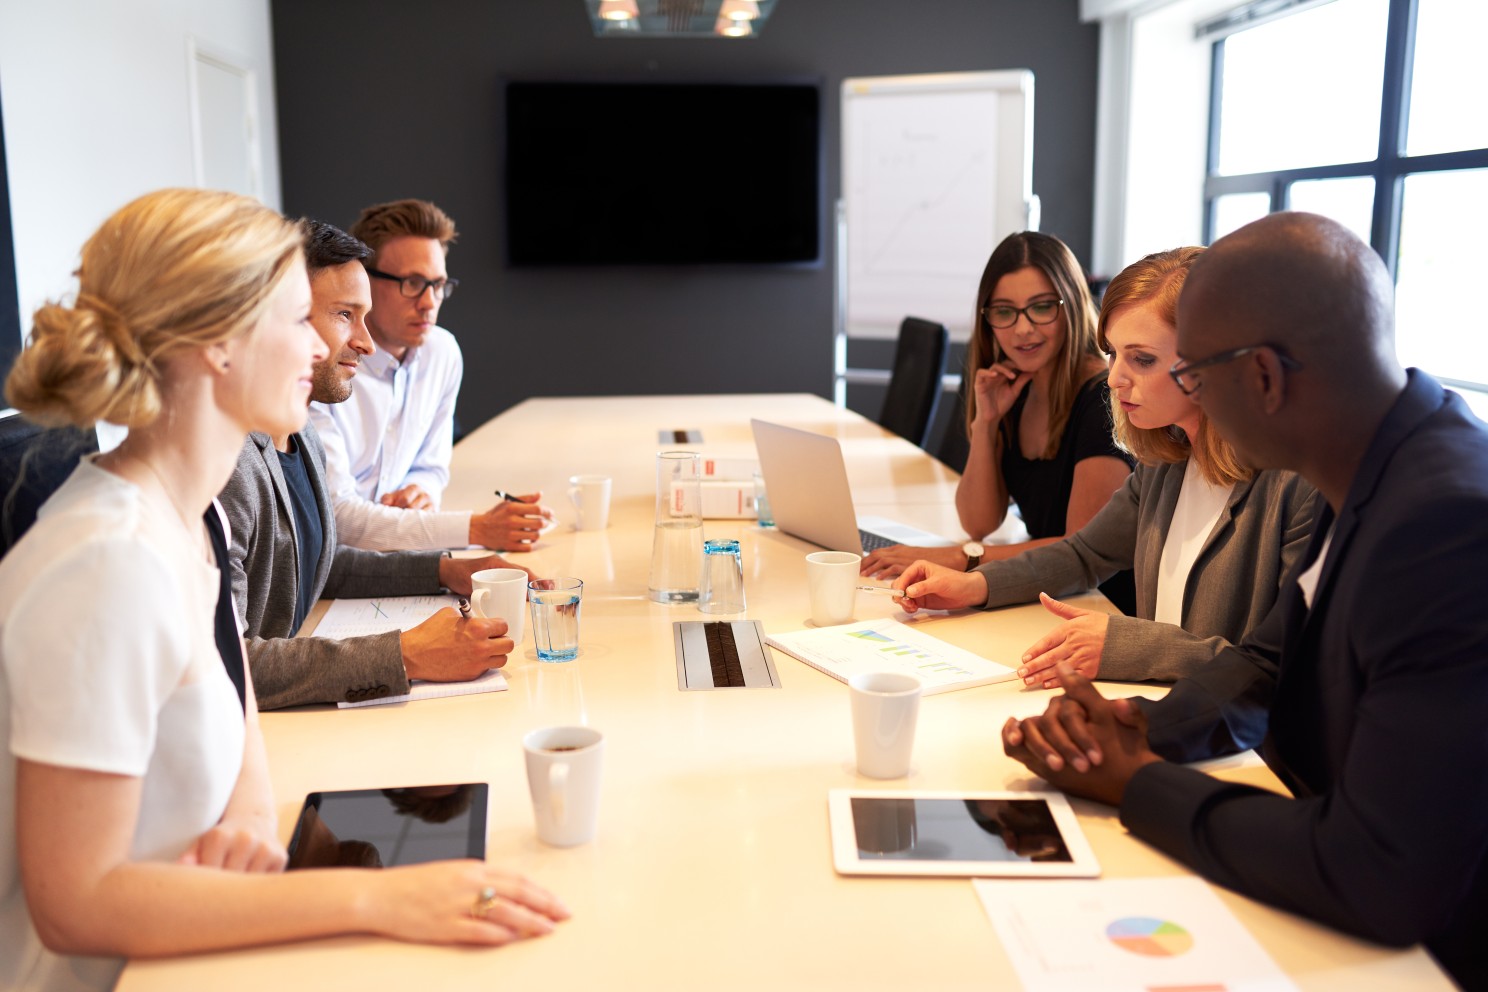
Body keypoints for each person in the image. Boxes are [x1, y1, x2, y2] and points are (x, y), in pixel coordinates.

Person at [0, 189, 567, 992]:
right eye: (301, 319)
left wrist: (249, 815)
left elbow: (235, 705)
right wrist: (375, 898)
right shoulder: (105, 565)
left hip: (190, 943)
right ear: (218, 346)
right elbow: (76, 906)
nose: (331, 347)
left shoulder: (189, 518)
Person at [999, 213, 1488, 988]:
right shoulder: (1373, 458)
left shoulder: (1445, 525)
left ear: (1261, 376)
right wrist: (1133, 732)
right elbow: (1268, 661)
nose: (1184, 398)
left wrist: (1138, 784)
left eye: (1192, 373)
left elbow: (1382, 874)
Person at [892, 248, 1317, 687]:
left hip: (1237, 748)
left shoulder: (1298, 486)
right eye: (1113, 353)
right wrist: (976, 586)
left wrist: (1124, 646)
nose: (1114, 378)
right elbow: (1084, 553)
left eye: (1142, 359)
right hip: (1159, 711)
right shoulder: (1166, 460)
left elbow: (1282, 668)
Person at [219, 221, 531, 710]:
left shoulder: (300, 435)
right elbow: (229, 665)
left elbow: (317, 566)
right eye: (345, 315)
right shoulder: (227, 468)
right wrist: (405, 656)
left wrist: (447, 571)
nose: (365, 343)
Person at [861, 231, 1135, 613]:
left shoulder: (1101, 400)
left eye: (1041, 307)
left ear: (1071, 305)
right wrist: (986, 424)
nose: (1022, 329)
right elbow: (978, 522)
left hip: (1098, 605)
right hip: (1041, 592)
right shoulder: (1016, 387)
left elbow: (1081, 548)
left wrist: (963, 558)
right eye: (1004, 311)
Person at [308, 198, 551, 553]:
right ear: (366, 281)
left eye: (438, 285)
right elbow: (339, 518)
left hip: (401, 551)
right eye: (412, 283)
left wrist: (421, 492)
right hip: (341, 565)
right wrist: (478, 528)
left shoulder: (442, 353)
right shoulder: (322, 366)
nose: (429, 302)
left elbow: (431, 466)